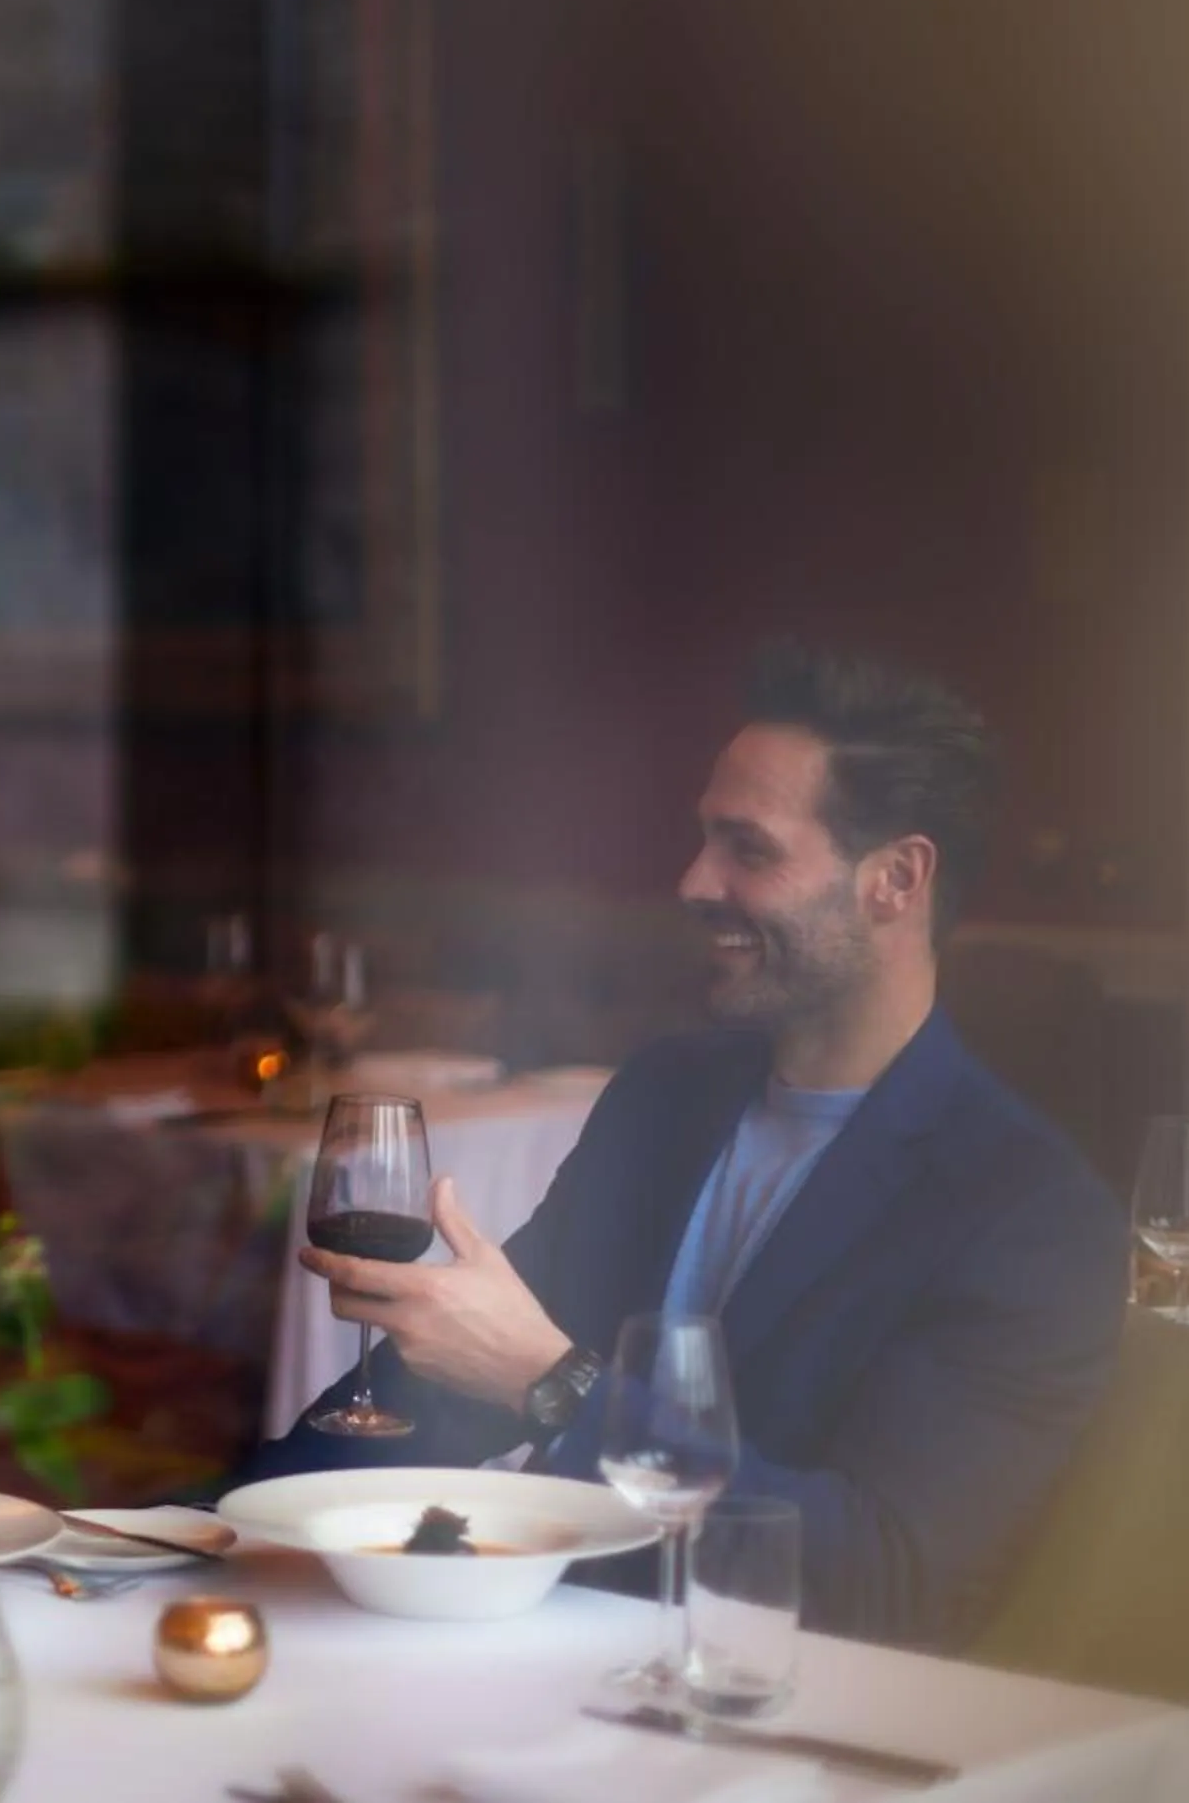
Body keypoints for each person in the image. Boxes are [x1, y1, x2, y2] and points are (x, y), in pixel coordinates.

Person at [236, 645, 1125, 1649]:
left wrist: (557, 1387)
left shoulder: (1028, 1212)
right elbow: (444, 1388)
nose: (694, 880)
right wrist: (217, 1523)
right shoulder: (668, 1095)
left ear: (895, 880)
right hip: (533, 1661)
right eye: (705, 840)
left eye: (748, 848)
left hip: (783, 1727)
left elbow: (888, 1573)